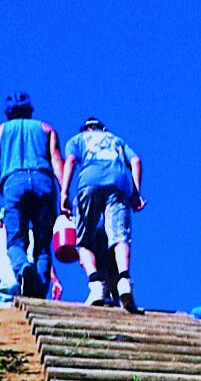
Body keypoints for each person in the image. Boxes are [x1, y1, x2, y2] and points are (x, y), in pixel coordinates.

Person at [60, 116, 145, 313]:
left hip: (89, 182)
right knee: (119, 236)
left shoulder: (77, 140)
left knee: (83, 241)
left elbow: (71, 161)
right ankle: (124, 280)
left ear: (85, 129)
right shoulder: (116, 140)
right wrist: (136, 193)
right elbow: (136, 161)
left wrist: (64, 192)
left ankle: (96, 284)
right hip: (118, 183)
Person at [0, 92, 64, 298]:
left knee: (15, 240)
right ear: (30, 110)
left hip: (14, 182)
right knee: (42, 244)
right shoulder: (46, 129)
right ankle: (38, 290)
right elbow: (57, 162)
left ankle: (23, 268)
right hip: (44, 182)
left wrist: (2, 185)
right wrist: (64, 192)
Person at [0, 210, 62, 307]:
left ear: (1, 222)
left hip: (4, 284)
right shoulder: (30, 234)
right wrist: (55, 281)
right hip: (28, 282)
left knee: (3, 311)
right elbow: (42, 258)